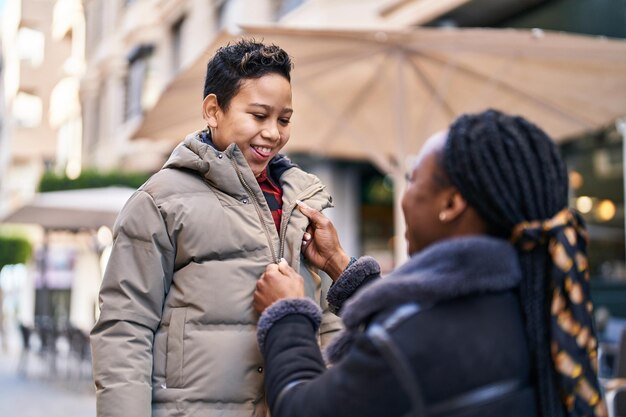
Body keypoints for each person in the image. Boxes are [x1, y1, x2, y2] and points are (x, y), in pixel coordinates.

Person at [253, 109, 608, 417]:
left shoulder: (414, 341)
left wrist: (288, 314)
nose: (405, 196)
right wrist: (339, 264)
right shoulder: (542, 300)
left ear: (451, 204)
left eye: (413, 179)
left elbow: (303, 410)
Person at [90, 39, 341, 417]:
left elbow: (329, 321)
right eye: (258, 116)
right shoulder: (160, 201)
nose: (273, 132)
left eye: (284, 119)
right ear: (213, 110)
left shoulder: (303, 203)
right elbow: (125, 326)